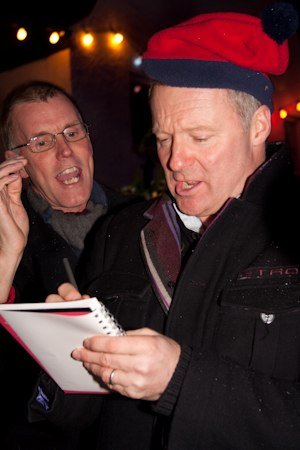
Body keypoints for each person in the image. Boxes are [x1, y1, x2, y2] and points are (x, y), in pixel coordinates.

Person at [1, 3, 300, 449]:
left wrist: (181, 381)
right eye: (163, 138)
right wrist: (76, 350)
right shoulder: (119, 233)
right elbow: (74, 415)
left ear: (258, 125)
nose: (174, 162)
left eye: (199, 136)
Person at [0, 80, 129, 449]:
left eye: (72, 132)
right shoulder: (7, 238)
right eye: (41, 142)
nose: (65, 152)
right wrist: (8, 251)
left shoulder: (142, 221)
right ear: (16, 164)